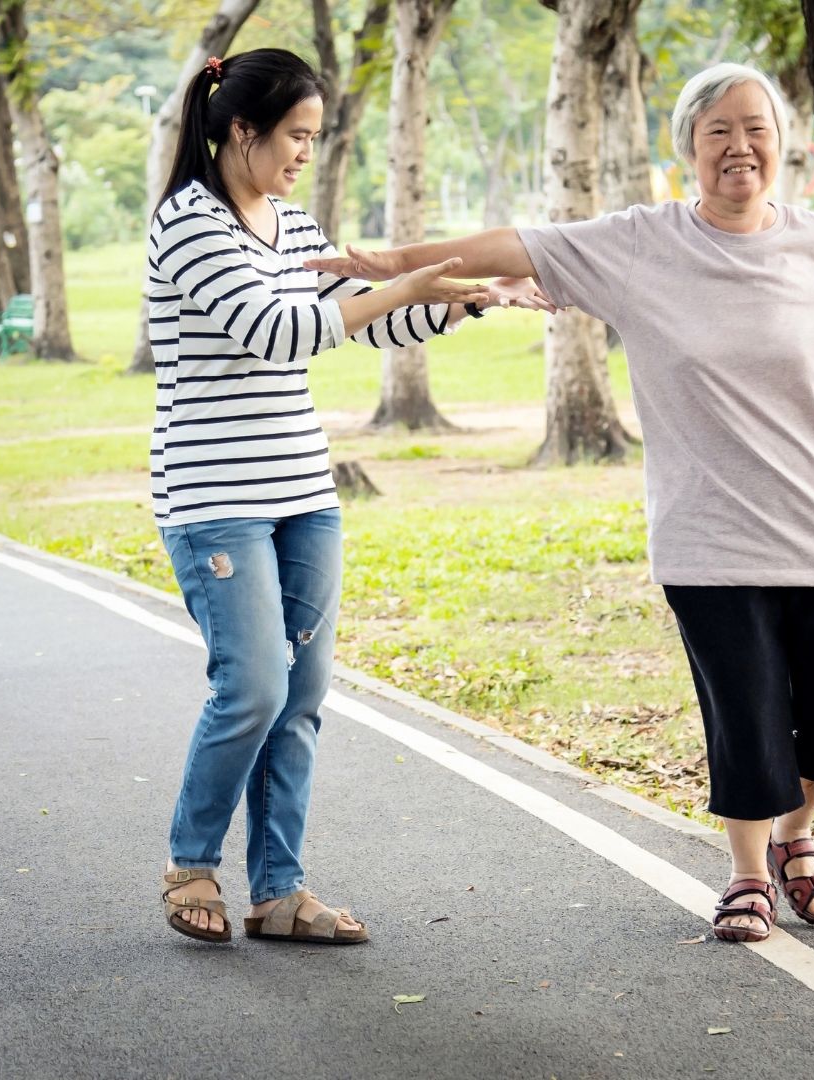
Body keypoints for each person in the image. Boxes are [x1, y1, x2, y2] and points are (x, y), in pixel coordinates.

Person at [307, 63, 814, 943]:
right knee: (745, 714)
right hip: (708, 538)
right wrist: (395, 262)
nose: (739, 147)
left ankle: (798, 838)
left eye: (756, 128)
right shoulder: (640, 246)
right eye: (718, 131)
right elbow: (515, 248)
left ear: (785, 148)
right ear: (688, 151)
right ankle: (749, 874)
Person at [148, 48, 540, 945]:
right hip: (215, 495)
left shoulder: (289, 225)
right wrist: (394, 286)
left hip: (302, 493)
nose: (303, 155)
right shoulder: (189, 225)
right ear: (240, 130)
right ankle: (191, 862)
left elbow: (368, 316)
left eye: (314, 140)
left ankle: (278, 890)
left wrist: (466, 298)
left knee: (301, 696)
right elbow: (278, 330)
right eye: (294, 136)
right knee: (251, 687)